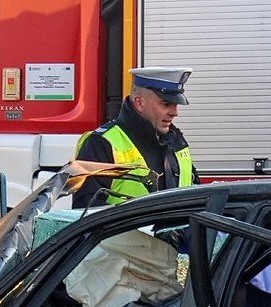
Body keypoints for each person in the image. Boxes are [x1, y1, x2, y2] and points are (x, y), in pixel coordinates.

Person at [72, 67, 200, 208]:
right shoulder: (101, 143)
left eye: (175, 105)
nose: (174, 112)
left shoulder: (175, 140)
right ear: (139, 103)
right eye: (166, 104)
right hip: (126, 231)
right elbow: (86, 213)